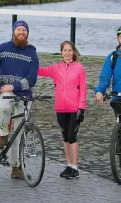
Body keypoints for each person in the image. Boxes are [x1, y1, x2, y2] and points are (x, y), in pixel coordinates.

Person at [0, 20, 39, 180]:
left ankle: (15, 166)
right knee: (5, 108)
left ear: (27, 33)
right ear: (13, 32)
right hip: (5, 93)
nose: (21, 33)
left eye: (24, 30)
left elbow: (32, 78)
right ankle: (2, 135)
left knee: (20, 132)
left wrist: (13, 86)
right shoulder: (2, 48)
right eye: (18, 30)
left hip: (24, 94)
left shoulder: (32, 53)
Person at [37, 40, 87, 179]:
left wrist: (81, 108)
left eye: (70, 50)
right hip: (60, 107)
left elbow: (83, 89)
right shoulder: (56, 68)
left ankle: (75, 167)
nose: (67, 53)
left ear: (74, 52)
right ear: (61, 52)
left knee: (72, 137)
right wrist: (30, 60)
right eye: (65, 50)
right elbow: (40, 71)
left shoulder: (79, 68)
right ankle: (68, 165)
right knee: (65, 137)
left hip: (74, 108)